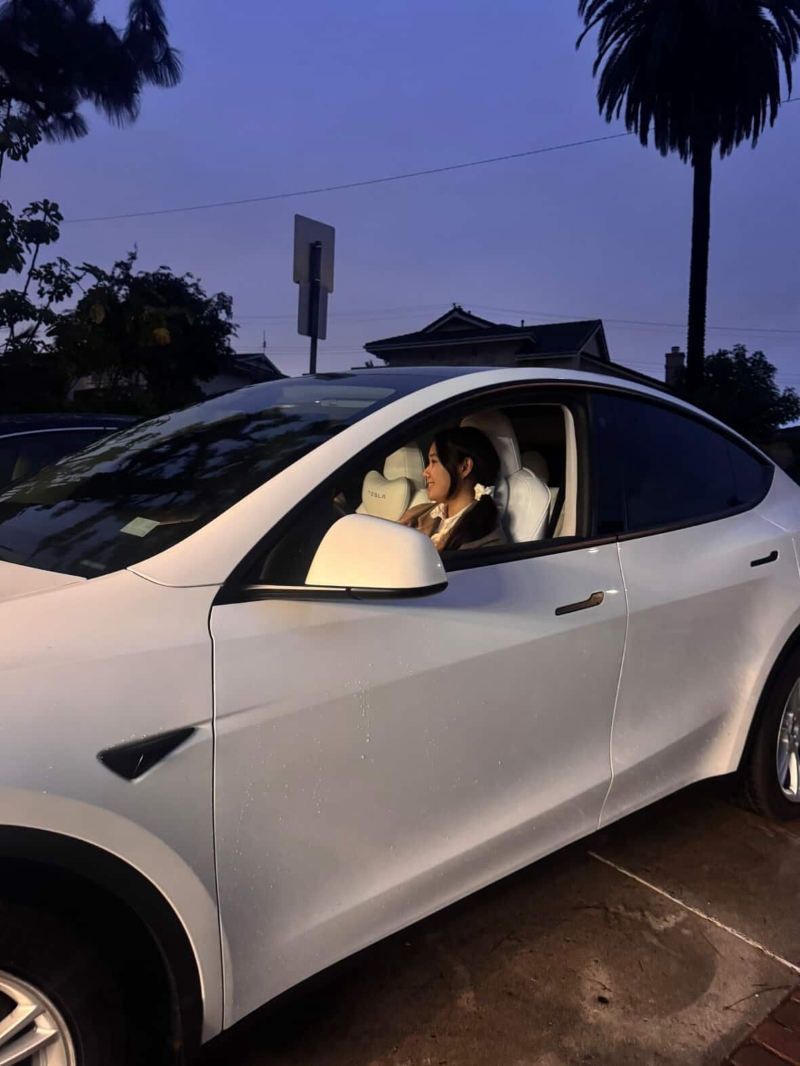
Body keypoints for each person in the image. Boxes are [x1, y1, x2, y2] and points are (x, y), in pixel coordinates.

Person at [399, 426, 506, 551]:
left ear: (465, 467)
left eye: (434, 461)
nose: (425, 472)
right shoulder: (418, 512)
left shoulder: (487, 541)